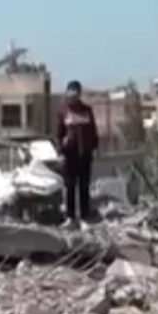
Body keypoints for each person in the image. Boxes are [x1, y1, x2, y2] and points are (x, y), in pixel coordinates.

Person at [57, 80, 98, 227]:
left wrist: (93, 148)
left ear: (79, 93)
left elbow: (93, 131)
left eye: (76, 92)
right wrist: (61, 152)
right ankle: (70, 217)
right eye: (71, 91)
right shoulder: (63, 111)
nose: (73, 95)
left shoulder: (86, 110)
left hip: (84, 154)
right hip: (69, 155)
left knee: (84, 186)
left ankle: (85, 216)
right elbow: (59, 134)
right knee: (70, 186)